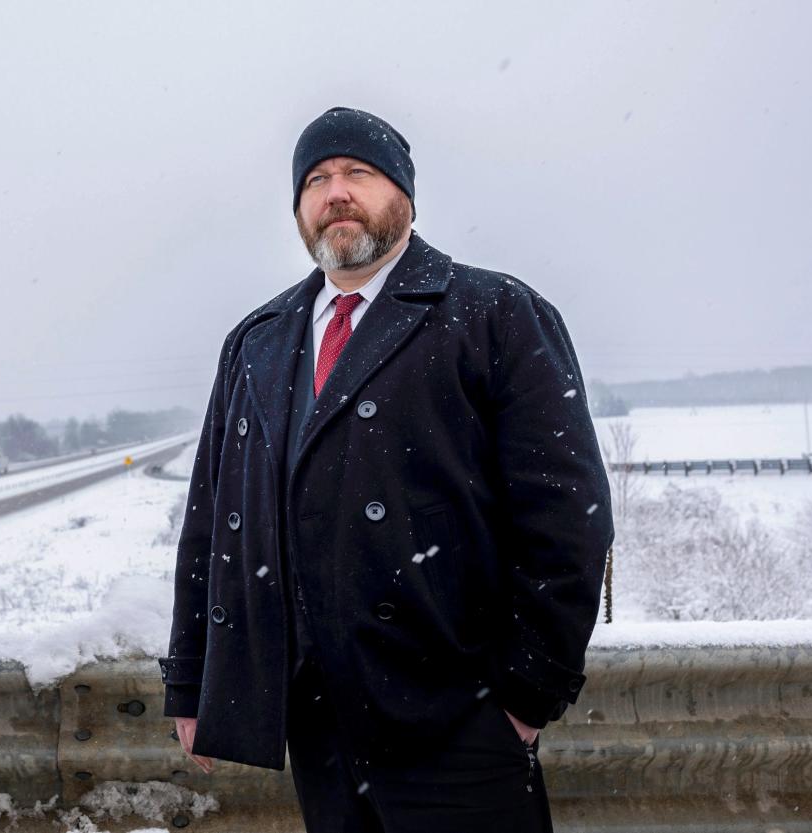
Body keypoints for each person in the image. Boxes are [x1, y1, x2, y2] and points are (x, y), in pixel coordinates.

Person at [159, 107, 614, 832]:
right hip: (318, 722)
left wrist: (527, 695)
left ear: (403, 194)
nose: (336, 192)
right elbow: (214, 522)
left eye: (358, 173)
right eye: (316, 179)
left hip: (457, 718)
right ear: (299, 208)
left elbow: (567, 516)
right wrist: (193, 681)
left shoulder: (494, 312)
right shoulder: (258, 341)